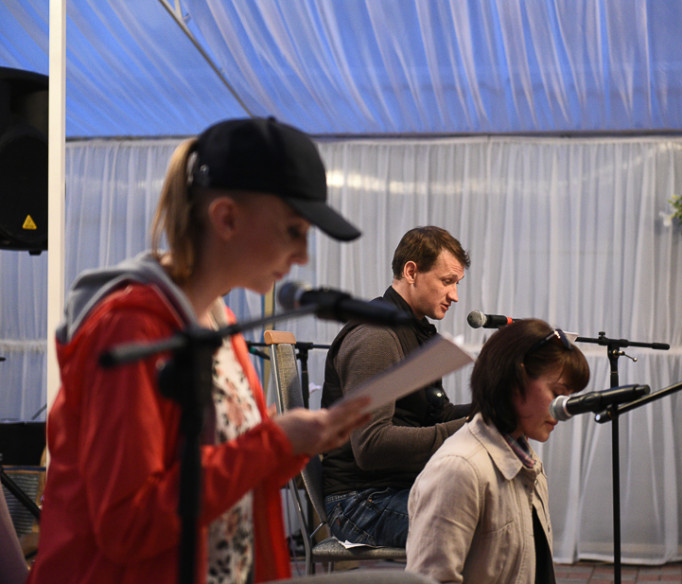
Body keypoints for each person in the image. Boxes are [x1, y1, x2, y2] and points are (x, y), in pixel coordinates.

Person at [27, 117, 371, 584]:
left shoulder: (219, 323)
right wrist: (274, 442)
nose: (303, 257)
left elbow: (231, 477)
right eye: (293, 230)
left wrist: (297, 443)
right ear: (226, 218)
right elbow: (128, 525)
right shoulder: (131, 330)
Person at [406, 319, 591, 584]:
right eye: (557, 393)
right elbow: (431, 578)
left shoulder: (528, 461)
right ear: (516, 380)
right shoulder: (458, 469)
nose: (564, 410)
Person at [320, 226, 472, 548]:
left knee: (498, 505)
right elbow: (371, 445)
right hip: (358, 502)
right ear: (411, 272)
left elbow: (437, 414)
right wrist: (471, 427)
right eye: (447, 281)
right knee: (479, 525)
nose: (455, 295)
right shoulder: (376, 336)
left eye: (457, 284)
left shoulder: (417, 332)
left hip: (395, 488)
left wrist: (496, 406)